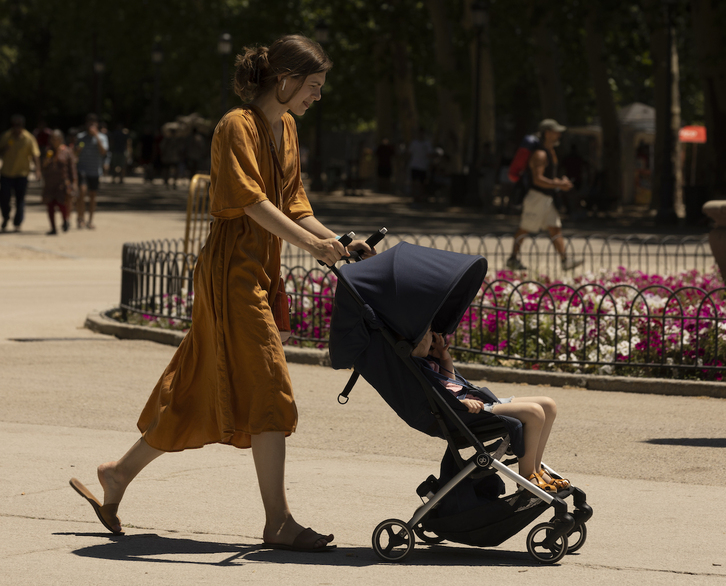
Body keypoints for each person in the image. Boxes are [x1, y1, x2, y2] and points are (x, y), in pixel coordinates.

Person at [69, 34, 376, 553]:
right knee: (271, 384)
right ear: (285, 79)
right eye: (314, 86)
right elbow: (250, 201)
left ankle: (116, 474)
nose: (317, 97)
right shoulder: (236, 125)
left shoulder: (289, 127)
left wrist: (336, 242)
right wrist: (312, 245)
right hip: (232, 270)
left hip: (258, 268)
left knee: (195, 384)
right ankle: (278, 521)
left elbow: (295, 203)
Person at [412, 327, 569, 493]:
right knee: (535, 413)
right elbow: (435, 401)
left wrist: (444, 358)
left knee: (548, 405)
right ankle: (527, 476)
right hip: (468, 412)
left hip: (479, 401)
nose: (434, 337)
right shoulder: (415, 368)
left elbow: (452, 385)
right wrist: (461, 404)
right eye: (429, 334)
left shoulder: (429, 361)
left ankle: (537, 469)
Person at [506, 119, 583, 272]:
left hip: (547, 198)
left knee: (555, 229)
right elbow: (537, 180)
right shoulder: (540, 154)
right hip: (537, 197)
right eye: (556, 132)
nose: (559, 135)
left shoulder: (551, 152)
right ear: (547, 133)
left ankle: (565, 260)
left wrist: (560, 181)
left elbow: (547, 177)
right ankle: (512, 259)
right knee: (524, 228)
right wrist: (559, 184)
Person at [0, 114, 41, 233]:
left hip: (22, 174)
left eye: (19, 125)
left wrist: (38, 170)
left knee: (20, 200)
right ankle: (6, 217)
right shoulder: (6, 136)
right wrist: (5, 148)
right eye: (15, 125)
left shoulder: (29, 138)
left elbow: (35, 155)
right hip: (6, 173)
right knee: (4, 199)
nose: (17, 128)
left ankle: (17, 222)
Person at [75, 114, 108, 229]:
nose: (91, 125)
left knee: (93, 196)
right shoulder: (80, 137)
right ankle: (80, 218)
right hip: (82, 169)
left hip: (95, 171)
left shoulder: (103, 137)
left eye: (93, 123)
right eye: (89, 123)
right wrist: (77, 150)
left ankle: (90, 220)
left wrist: (96, 137)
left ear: (97, 125)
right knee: (82, 192)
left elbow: (103, 152)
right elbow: (75, 153)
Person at [41, 130, 77, 235]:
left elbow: (72, 168)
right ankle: (53, 228)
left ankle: (65, 220)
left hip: (62, 183)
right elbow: (44, 167)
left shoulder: (67, 151)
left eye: (56, 139)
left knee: (62, 204)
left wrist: (74, 182)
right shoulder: (48, 151)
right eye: (52, 139)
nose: (54, 141)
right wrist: (46, 161)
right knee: (50, 205)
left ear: (61, 139)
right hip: (50, 182)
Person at [408, 127, 432, 205]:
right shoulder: (414, 143)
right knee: (414, 183)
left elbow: (429, 155)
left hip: (423, 166)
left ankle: (420, 198)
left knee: (422, 184)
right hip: (414, 165)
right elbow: (410, 153)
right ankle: (414, 198)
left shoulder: (427, 144)